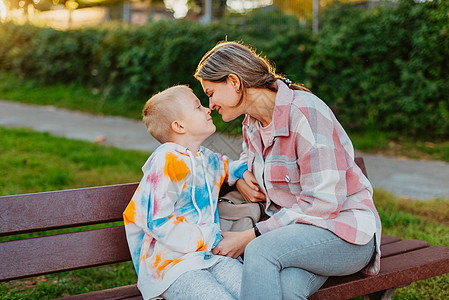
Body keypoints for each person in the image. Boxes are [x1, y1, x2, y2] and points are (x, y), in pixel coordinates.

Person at [194, 41, 382, 299]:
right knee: (287, 288)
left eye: (211, 92)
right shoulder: (252, 122)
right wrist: (238, 177)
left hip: (344, 234)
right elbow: (249, 159)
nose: (210, 103)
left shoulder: (306, 113)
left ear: (234, 82)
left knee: (259, 250)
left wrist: (253, 234)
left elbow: (323, 203)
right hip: (295, 238)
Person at [123, 85, 254, 300]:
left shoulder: (204, 157)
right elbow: (158, 221)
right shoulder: (165, 161)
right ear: (179, 126)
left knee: (256, 292)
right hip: (172, 267)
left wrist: (242, 172)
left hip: (210, 256)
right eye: (198, 106)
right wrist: (207, 236)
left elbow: (225, 166)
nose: (207, 109)